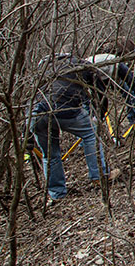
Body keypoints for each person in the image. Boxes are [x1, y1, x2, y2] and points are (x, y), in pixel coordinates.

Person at [29, 54, 120, 203]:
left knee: (50, 154)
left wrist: (27, 134)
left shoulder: (41, 69)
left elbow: (28, 100)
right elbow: (100, 93)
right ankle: (99, 175)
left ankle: (56, 193)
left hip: (38, 114)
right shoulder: (80, 64)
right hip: (65, 109)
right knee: (91, 134)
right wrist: (99, 114)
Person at [85, 52, 135, 125]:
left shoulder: (117, 65)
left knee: (128, 93)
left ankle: (134, 120)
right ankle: (93, 123)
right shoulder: (88, 74)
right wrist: (99, 116)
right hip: (100, 74)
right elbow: (102, 98)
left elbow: (133, 82)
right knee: (96, 101)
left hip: (111, 66)